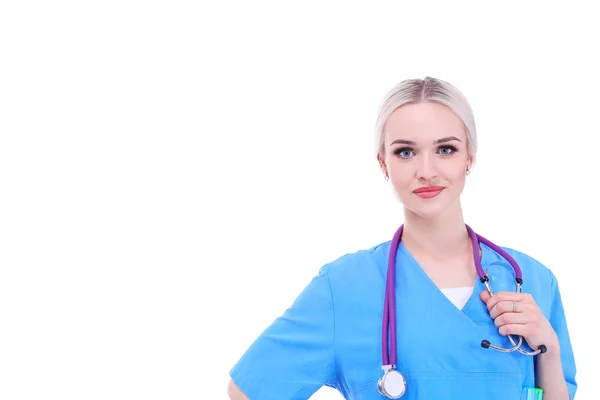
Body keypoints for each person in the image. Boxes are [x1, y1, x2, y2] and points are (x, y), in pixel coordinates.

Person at [226, 77, 577, 399]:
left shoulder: (531, 280)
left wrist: (549, 345)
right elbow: (247, 391)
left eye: (446, 149)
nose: (426, 171)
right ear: (383, 163)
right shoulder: (346, 286)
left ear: (469, 157)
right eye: (405, 152)